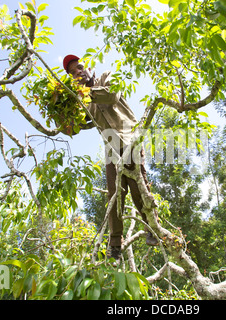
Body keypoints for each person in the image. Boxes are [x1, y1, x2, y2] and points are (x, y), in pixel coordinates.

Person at [62, 54, 159, 263]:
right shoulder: (82, 100)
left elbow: (112, 95)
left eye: (79, 68)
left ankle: (152, 227)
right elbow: (81, 125)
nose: (78, 72)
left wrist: (86, 94)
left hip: (129, 137)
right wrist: (65, 119)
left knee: (137, 188)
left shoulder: (105, 77)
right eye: (73, 73)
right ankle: (115, 244)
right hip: (110, 147)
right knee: (114, 195)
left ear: (86, 67)